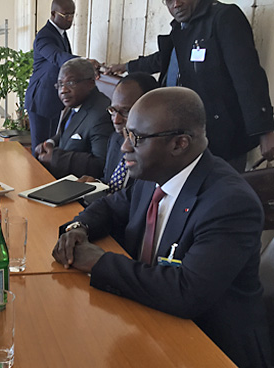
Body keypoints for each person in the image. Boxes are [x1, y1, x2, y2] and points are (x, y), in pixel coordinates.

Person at [53, 87, 271, 368]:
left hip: (210, 345)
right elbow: (110, 206)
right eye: (126, 134)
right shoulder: (154, 172)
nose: (125, 146)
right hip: (149, 319)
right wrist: (79, 228)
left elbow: (186, 293)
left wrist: (99, 262)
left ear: (179, 144)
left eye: (137, 138)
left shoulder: (230, 203)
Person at [105, 0, 274, 172]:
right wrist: (126, 67)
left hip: (221, 139)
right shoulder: (181, 27)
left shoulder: (224, 18)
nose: (176, 4)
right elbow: (163, 59)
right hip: (183, 136)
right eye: (169, 1)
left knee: (215, 192)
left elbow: (248, 76)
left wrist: (265, 131)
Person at [25, 0, 100, 153]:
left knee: (50, 145)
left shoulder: (61, 34)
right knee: (40, 150)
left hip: (52, 100)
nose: (70, 19)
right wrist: (85, 62)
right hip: (40, 101)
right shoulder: (44, 36)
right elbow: (59, 57)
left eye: (73, 15)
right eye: (66, 15)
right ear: (53, 14)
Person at [79, 72, 159, 193]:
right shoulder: (115, 138)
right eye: (113, 111)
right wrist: (96, 185)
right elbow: (112, 183)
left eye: (126, 112)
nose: (116, 120)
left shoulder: (154, 152)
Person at [34, 58, 112, 179]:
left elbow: (100, 164)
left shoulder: (101, 115)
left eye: (71, 83)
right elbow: (67, 133)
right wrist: (49, 143)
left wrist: (55, 158)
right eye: (60, 84)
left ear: (90, 83)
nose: (63, 90)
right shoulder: (75, 103)